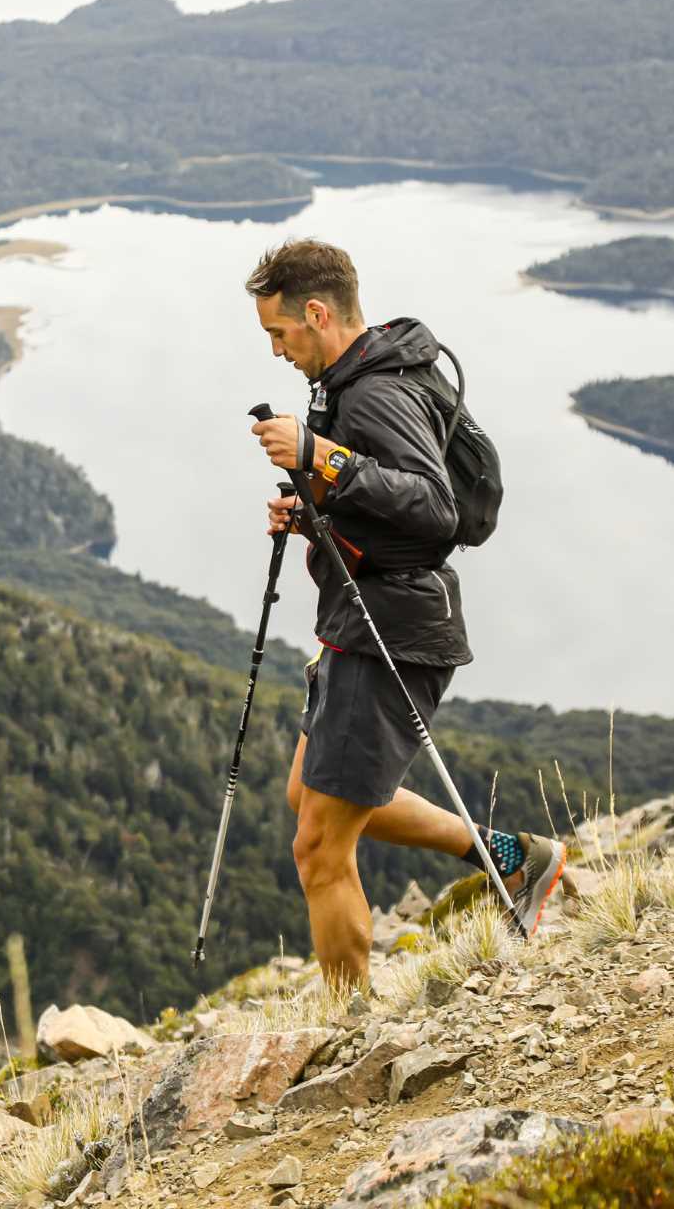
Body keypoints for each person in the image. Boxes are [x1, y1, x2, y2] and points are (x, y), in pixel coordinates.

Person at [244, 238, 565, 995]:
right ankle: (516, 859)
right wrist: (313, 513)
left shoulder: (373, 391)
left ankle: (349, 1032)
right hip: (363, 619)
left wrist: (321, 459)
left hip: (391, 629)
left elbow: (434, 509)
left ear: (316, 314)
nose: (278, 351)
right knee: (308, 796)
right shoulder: (357, 378)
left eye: (279, 334)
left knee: (319, 846)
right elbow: (384, 500)